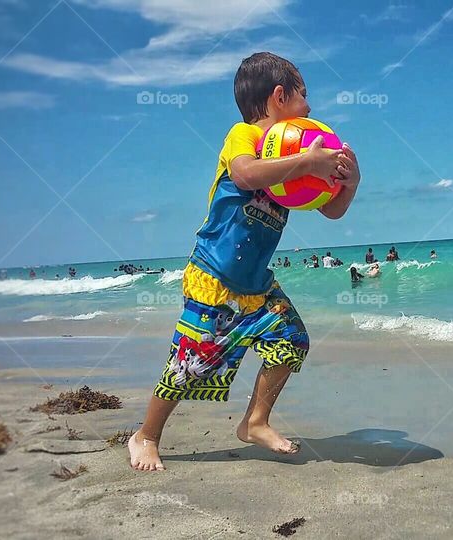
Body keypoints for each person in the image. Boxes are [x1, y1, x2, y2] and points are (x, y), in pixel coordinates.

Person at [129, 52, 362, 471]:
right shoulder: (244, 136)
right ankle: (145, 435)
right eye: (304, 96)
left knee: (292, 340)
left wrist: (349, 182)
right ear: (279, 96)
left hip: (256, 284)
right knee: (189, 363)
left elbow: (331, 211)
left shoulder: (293, 162)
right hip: (215, 275)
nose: (310, 108)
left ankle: (255, 421)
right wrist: (308, 160)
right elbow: (245, 176)